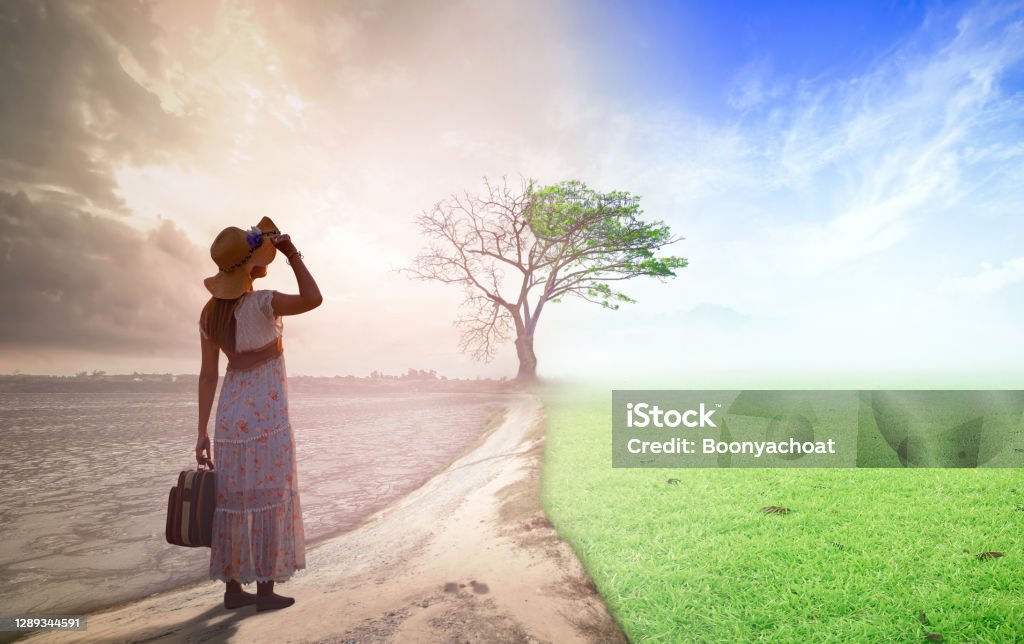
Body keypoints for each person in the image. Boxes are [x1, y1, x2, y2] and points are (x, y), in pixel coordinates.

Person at [195, 216, 322, 612]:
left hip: (231, 418)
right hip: (267, 417)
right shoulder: (265, 303)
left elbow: (207, 376)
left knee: (233, 499)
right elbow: (314, 298)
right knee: (271, 495)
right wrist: (292, 255)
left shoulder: (209, 314)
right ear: (252, 265)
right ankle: (265, 591)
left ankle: (233, 590)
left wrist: (202, 432)